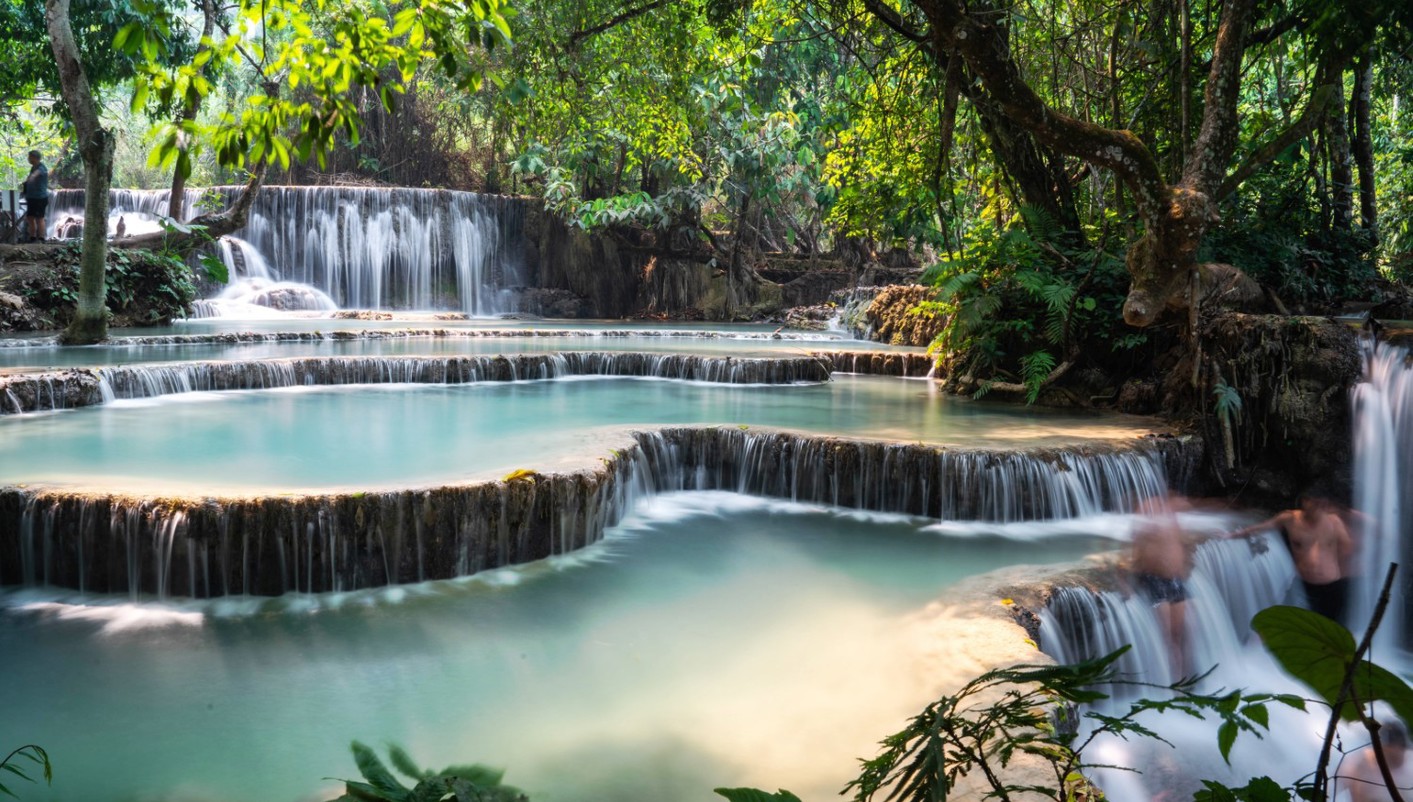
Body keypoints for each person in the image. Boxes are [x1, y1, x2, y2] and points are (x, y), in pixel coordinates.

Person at [1231, 493, 1355, 623]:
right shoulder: (1289, 518)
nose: (1313, 505)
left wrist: (1334, 566)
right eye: (1310, 501)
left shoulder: (1333, 522)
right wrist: (1233, 535)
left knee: (1329, 626)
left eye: (1318, 502)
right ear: (1303, 501)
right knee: (1285, 619)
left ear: (1323, 504)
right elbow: (1262, 527)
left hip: (1330, 585)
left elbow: (1347, 548)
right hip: (1303, 583)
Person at [1131, 492, 1194, 678]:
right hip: (1154, 580)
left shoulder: (1172, 515)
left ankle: (1183, 680)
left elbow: (1180, 544)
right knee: (1167, 638)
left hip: (1175, 580)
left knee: (1181, 634)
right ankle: (1170, 685)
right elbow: (1137, 547)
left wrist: (1186, 562)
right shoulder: (1144, 514)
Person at [1335, 720, 1413, 802]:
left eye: (1401, 747)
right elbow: (1330, 792)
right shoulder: (1357, 764)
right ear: (1381, 748)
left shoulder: (1410, 761)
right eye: (1394, 747)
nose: (1398, 752)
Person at [19, 149, 48, 243]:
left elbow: (35, 175)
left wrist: (31, 178)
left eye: (29, 157)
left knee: (40, 218)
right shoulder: (33, 167)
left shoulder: (41, 168)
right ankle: (32, 237)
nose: (28, 159)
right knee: (30, 217)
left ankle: (41, 238)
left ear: (35, 158)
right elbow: (30, 177)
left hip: (40, 197)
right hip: (31, 197)